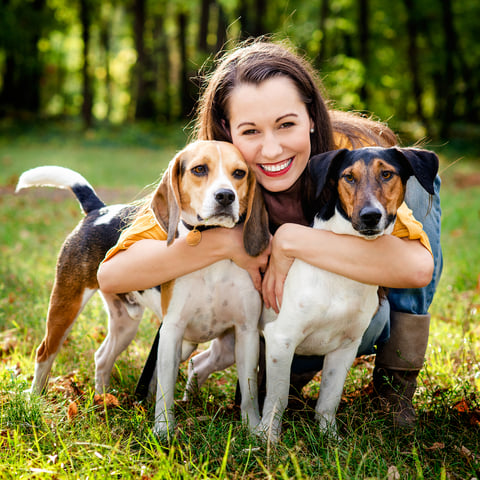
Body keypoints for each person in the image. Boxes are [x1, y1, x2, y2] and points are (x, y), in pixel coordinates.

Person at [97, 39, 442, 429]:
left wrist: (290, 241)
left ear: (312, 117)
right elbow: (113, 275)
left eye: (286, 124)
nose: (272, 148)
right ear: (227, 133)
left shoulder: (350, 154)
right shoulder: (214, 172)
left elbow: (416, 268)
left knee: (417, 185)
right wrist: (227, 241)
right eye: (250, 131)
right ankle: (285, 370)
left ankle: (396, 384)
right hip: (278, 320)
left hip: (351, 314)